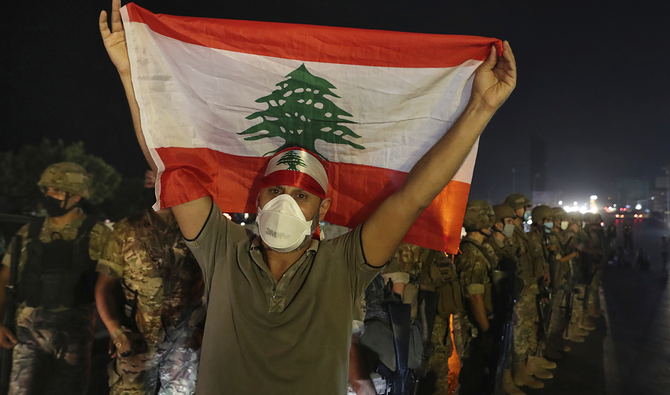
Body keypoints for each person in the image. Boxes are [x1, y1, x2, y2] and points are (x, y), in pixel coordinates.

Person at [99, 0, 516, 392]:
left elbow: (411, 198)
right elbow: (174, 165)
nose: (284, 203)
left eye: (301, 196)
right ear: (258, 199)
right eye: (276, 191)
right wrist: (131, 77)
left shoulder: (344, 263)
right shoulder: (223, 252)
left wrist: (480, 108)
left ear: (324, 208)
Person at [0, 162, 113, 395]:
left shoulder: (100, 235)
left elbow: (113, 286)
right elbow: (4, 279)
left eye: (57, 190)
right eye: (48, 190)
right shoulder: (28, 232)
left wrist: (117, 329)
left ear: (76, 197)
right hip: (27, 335)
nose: (50, 195)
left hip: (73, 338)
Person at [95, 170, 206, 395]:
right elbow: (104, 288)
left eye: (156, 173)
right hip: (136, 346)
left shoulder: (197, 231)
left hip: (182, 350)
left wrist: (203, 331)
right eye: (147, 175)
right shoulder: (126, 230)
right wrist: (117, 334)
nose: (148, 177)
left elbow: (215, 289)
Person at [502, 194, 547, 389]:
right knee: (518, 334)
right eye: (523, 207)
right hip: (519, 292)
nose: (526, 210)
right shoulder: (511, 232)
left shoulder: (521, 231)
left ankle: (523, 369)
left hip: (528, 288)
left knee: (527, 329)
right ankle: (514, 375)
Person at [452, 200, 497, 395]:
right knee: (472, 376)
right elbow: (474, 296)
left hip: (478, 324)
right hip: (473, 328)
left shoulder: (478, 250)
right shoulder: (472, 254)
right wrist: (486, 330)